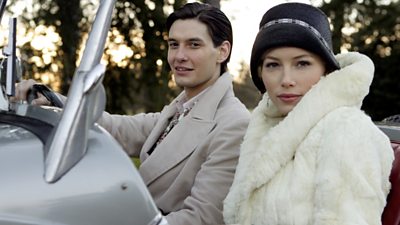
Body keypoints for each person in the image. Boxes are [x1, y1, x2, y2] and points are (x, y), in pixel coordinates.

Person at [16, 3, 250, 225]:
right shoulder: (181, 108)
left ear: (222, 51)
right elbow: (115, 127)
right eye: (174, 44)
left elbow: (202, 219)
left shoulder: (233, 124)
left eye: (193, 44)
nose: (179, 56)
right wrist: (52, 99)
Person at [223, 2, 394, 225]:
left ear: (326, 69)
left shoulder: (347, 130)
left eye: (302, 63)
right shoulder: (264, 127)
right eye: (273, 65)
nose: (286, 80)